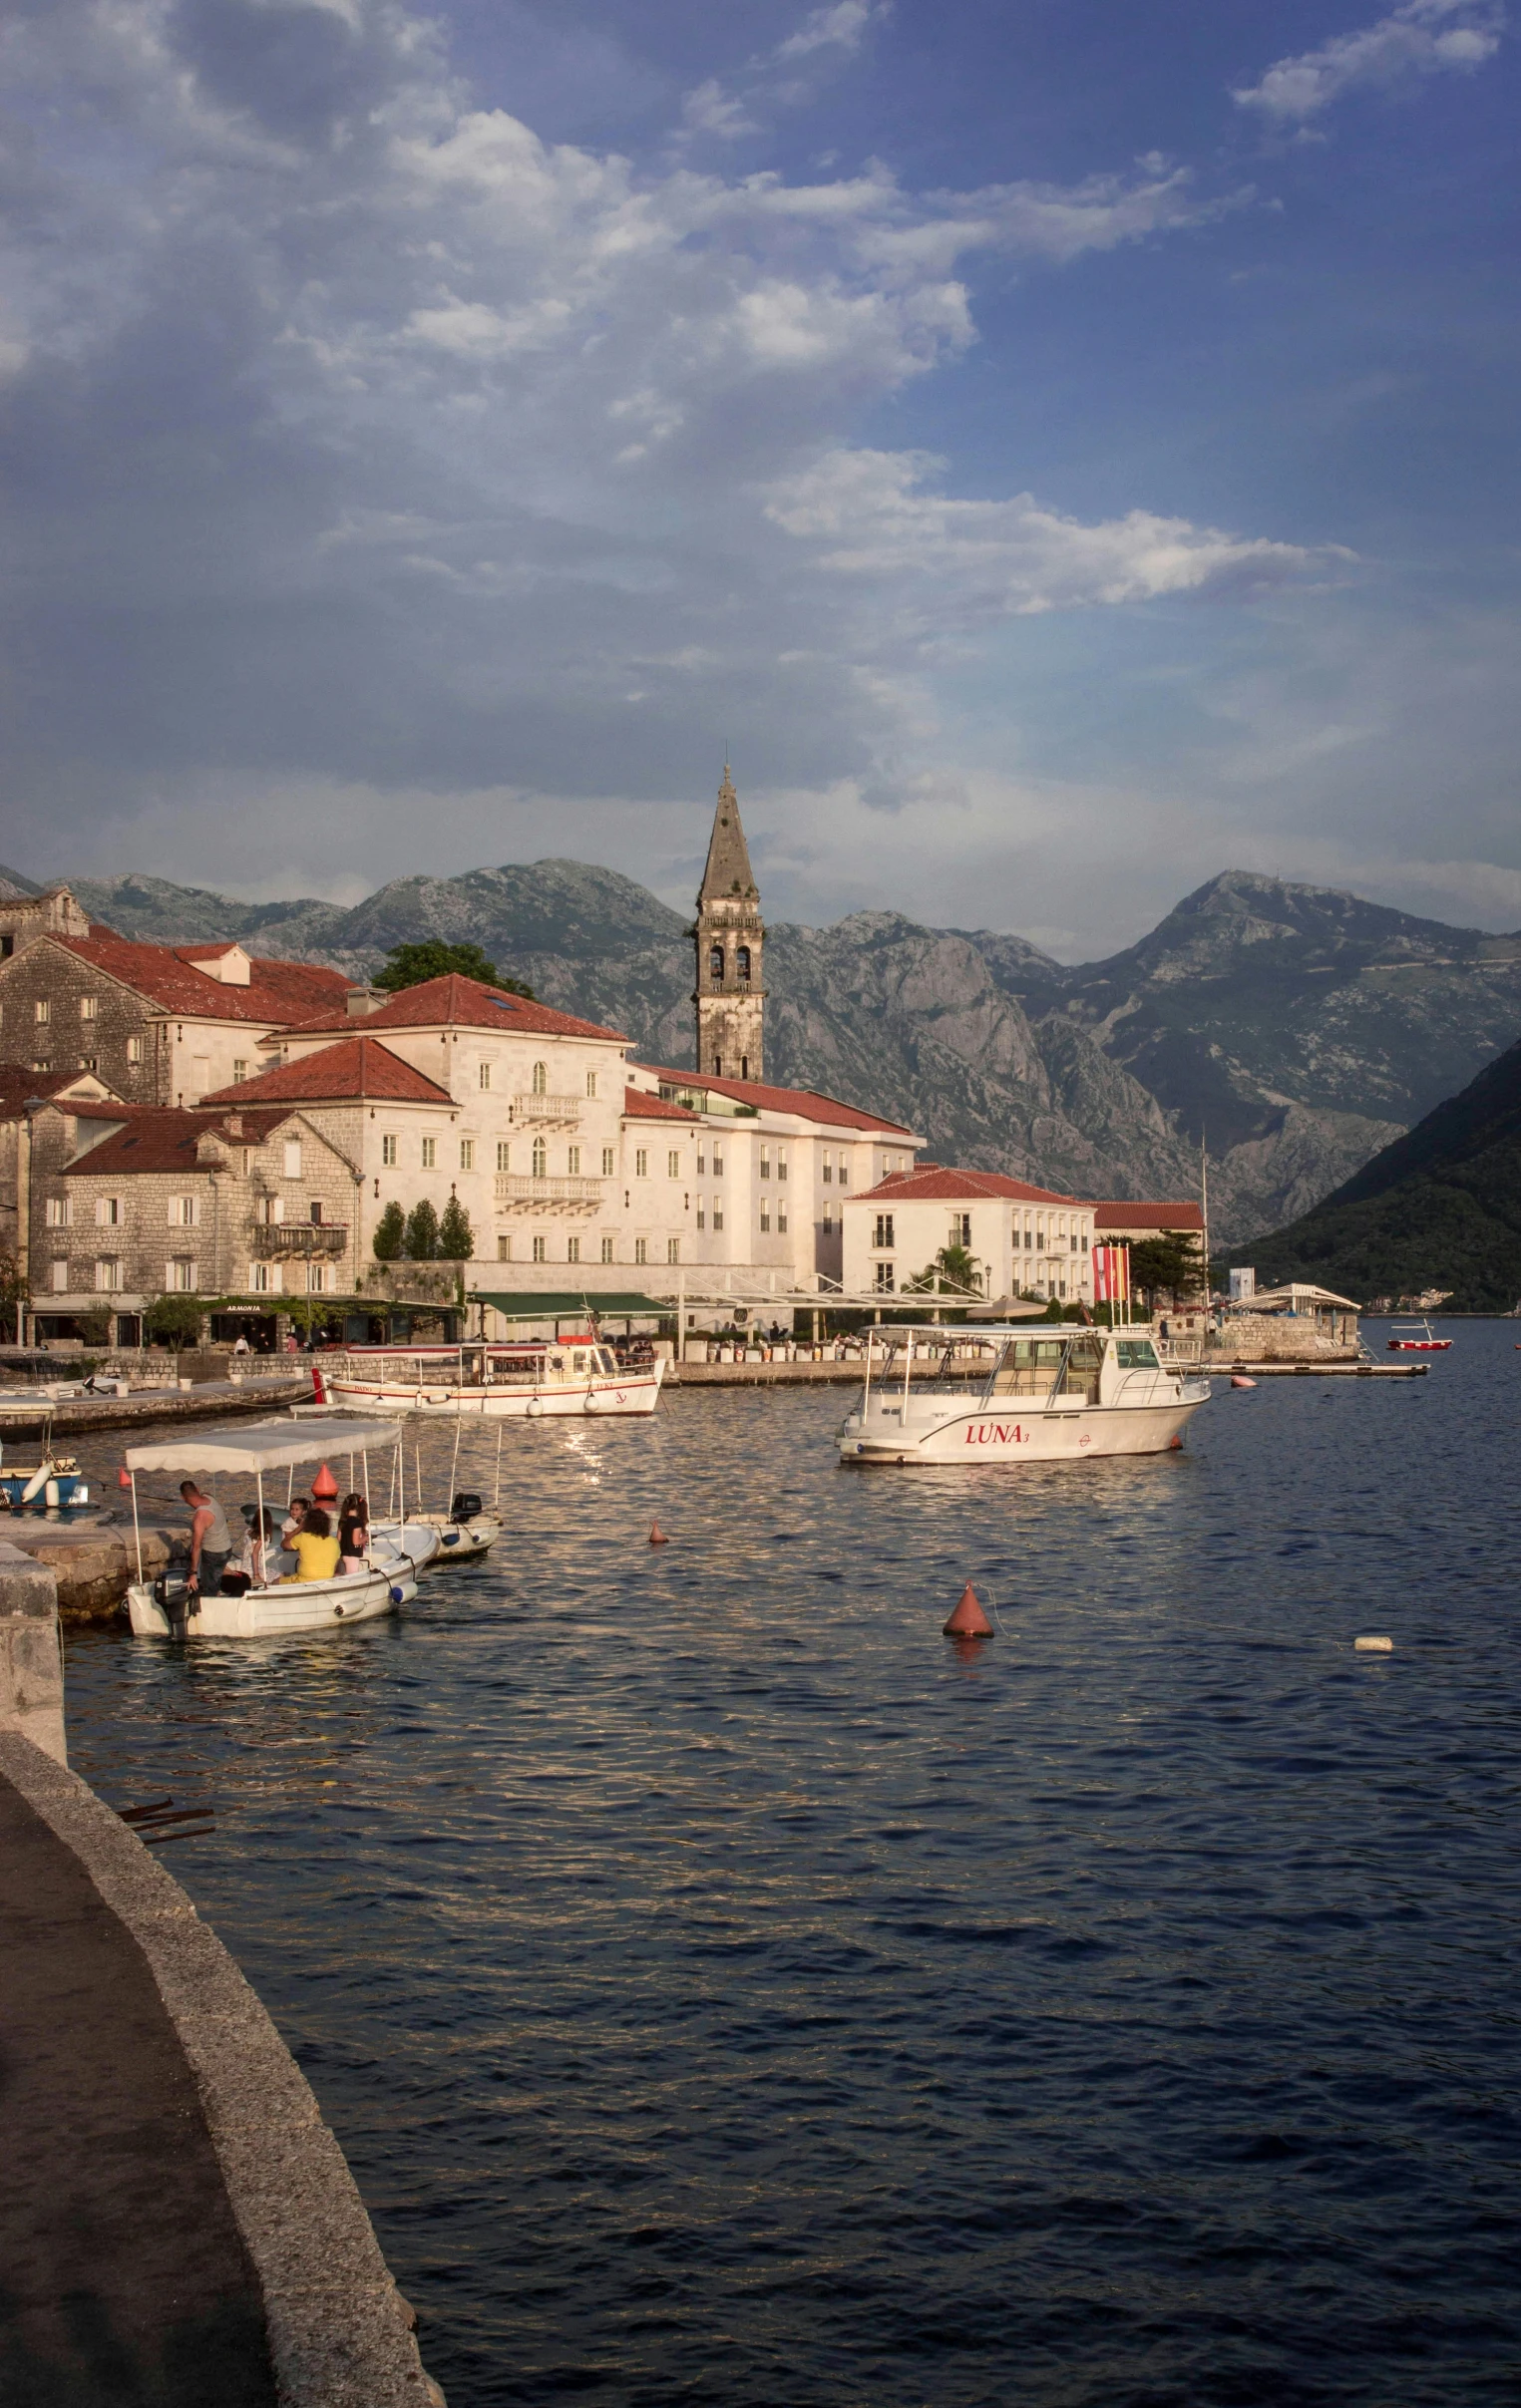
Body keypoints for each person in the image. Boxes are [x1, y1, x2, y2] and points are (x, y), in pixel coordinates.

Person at [181, 1480, 233, 1606]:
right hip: (227, 1548)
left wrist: (192, 1573)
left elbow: (197, 1546)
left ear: (183, 1498)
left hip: (213, 1554)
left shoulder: (200, 1516)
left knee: (210, 1588)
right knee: (215, 1582)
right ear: (198, 1489)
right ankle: (218, 1596)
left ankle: (213, 1610)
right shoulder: (209, 1496)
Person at [283, 1506, 341, 1583]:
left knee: (275, 1582)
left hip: (304, 1580)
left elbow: (284, 1544)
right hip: (326, 1579)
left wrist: (298, 1529)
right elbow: (335, 1566)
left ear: (307, 1523)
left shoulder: (303, 1537)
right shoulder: (334, 1541)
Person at [338, 1493, 369, 1573]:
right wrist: (366, 1538)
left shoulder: (342, 1521)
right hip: (353, 1554)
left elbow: (338, 1538)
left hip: (344, 1553)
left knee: (345, 1573)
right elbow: (356, 1541)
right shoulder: (357, 1522)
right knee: (352, 1576)